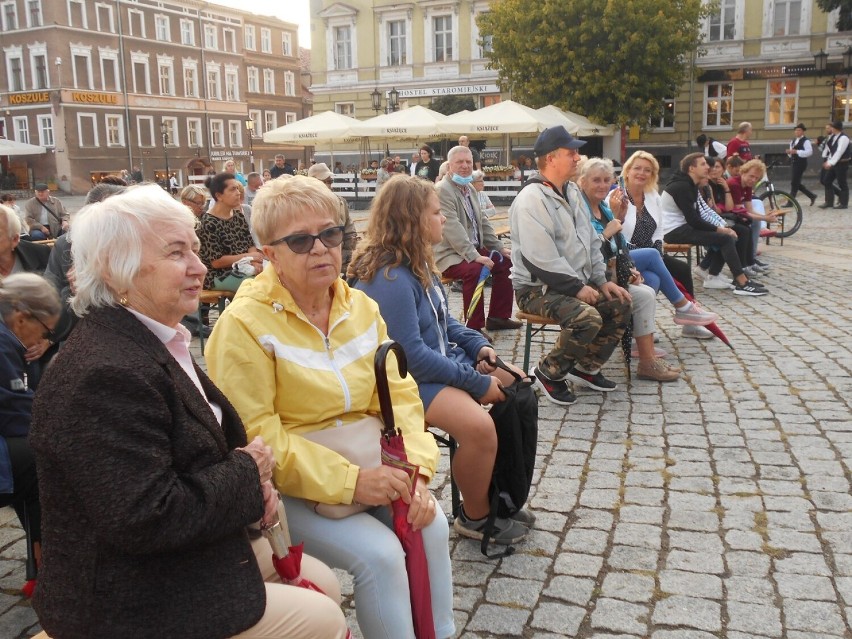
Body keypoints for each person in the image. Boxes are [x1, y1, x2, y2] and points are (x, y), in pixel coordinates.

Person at [28, 184, 347, 639]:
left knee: (327, 585)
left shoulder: (149, 337)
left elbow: (188, 449)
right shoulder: (103, 372)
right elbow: (146, 516)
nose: (199, 267)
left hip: (181, 552)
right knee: (324, 620)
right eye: (177, 253)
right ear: (114, 271)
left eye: (195, 249)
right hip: (128, 595)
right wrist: (247, 473)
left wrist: (251, 488)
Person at [205, 175, 455, 639]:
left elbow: (399, 394)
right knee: (379, 556)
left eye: (331, 234)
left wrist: (416, 473)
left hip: (376, 462)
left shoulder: (359, 306)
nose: (320, 249)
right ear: (269, 253)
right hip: (295, 486)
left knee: (432, 527)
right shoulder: (242, 324)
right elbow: (257, 434)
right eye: (300, 240)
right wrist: (352, 482)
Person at [350, 174, 531, 545]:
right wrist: (474, 380)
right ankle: (476, 516)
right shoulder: (390, 279)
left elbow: (444, 322)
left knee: (520, 388)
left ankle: (503, 496)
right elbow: (411, 358)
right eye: (436, 213)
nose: (443, 218)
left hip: (432, 368)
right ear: (412, 220)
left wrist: (476, 346)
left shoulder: (417, 264)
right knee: (478, 430)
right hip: (406, 384)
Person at [510, 126, 631, 405]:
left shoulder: (572, 191)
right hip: (535, 290)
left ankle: (584, 368)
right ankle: (548, 372)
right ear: (551, 159)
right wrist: (577, 287)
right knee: (587, 318)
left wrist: (601, 281)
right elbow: (539, 258)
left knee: (621, 303)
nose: (578, 157)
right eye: (571, 152)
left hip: (569, 284)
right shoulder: (531, 199)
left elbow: (589, 240)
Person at [579, 159, 684, 382]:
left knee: (649, 282)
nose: (602, 185)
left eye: (606, 181)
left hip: (612, 271)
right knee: (652, 266)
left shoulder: (605, 209)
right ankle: (681, 308)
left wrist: (628, 267)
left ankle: (646, 360)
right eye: (596, 180)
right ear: (582, 182)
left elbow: (620, 244)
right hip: (589, 279)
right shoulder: (580, 211)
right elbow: (583, 254)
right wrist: (608, 231)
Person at [0, 272, 60, 594]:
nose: (44, 337)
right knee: (44, 460)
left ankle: (42, 568)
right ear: (22, 318)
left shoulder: (7, 339)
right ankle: (47, 568)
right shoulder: (3, 344)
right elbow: (14, 412)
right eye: (46, 329)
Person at [610, 151, 708, 339]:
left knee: (669, 273)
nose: (641, 173)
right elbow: (615, 233)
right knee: (655, 263)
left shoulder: (652, 195)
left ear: (652, 175)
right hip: (625, 253)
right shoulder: (616, 197)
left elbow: (659, 229)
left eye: (647, 170)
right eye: (637, 168)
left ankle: (646, 328)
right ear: (628, 171)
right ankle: (683, 308)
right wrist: (653, 254)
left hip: (651, 253)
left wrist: (657, 249)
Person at [434, 145, 519, 340]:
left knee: (506, 262)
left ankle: (498, 316)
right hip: (449, 253)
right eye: (459, 162)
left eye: (468, 162)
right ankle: (473, 327)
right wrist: (475, 256)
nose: (465, 166)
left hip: (471, 249)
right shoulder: (442, 190)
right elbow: (451, 228)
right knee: (475, 269)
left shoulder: (469, 187)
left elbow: (483, 221)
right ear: (449, 166)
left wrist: (498, 247)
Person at [661, 153, 768, 297]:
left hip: (683, 227)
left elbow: (699, 216)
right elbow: (694, 219)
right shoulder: (681, 186)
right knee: (724, 238)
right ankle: (741, 282)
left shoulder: (689, 184)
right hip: (674, 231)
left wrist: (723, 229)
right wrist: (722, 230)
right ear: (692, 168)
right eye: (703, 164)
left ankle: (716, 275)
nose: (708, 167)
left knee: (726, 236)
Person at [198, 173, 263, 292]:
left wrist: (254, 262)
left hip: (243, 268)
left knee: (275, 277)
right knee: (259, 287)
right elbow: (217, 262)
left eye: (238, 188)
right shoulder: (208, 222)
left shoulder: (238, 216)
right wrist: (249, 257)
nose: (238, 193)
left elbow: (250, 244)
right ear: (219, 196)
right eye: (233, 189)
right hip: (219, 276)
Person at [726, 159, 777, 276]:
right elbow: (740, 211)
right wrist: (765, 218)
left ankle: (751, 260)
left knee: (755, 223)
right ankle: (745, 263)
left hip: (736, 215)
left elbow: (749, 209)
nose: (753, 180)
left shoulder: (747, 185)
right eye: (751, 176)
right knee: (747, 229)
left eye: (756, 178)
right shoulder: (735, 184)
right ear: (743, 172)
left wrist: (764, 216)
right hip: (729, 216)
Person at [306, 164, 358, 275]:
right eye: (325, 181)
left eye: (330, 181)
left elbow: (349, 232)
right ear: (312, 182)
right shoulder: (303, 207)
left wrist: (346, 256)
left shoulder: (340, 202)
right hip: (315, 265)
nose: (328, 185)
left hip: (340, 261)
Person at [819, 119, 850, 209]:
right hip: (834, 163)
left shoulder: (843, 138)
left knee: (842, 183)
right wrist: (827, 161)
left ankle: (844, 204)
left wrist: (830, 163)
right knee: (826, 181)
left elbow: (839, 152)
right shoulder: (833, 137)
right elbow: (831, 151)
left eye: (831, 127)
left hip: (842, 163)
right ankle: (829, 202)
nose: (830, 129)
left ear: (836, 128)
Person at [787, 123, 817, 206]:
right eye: (796, 130)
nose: (797, 132)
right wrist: (790, 152)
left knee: (794, 182)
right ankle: (812, 195)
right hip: (794, 162)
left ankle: (790, 202)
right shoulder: (793, 141)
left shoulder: (806, 141)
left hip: (801, 163)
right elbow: (791, 152)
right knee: (796, 183)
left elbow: (809, 152)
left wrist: (797, 152)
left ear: (803, 132)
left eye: (799, 130)